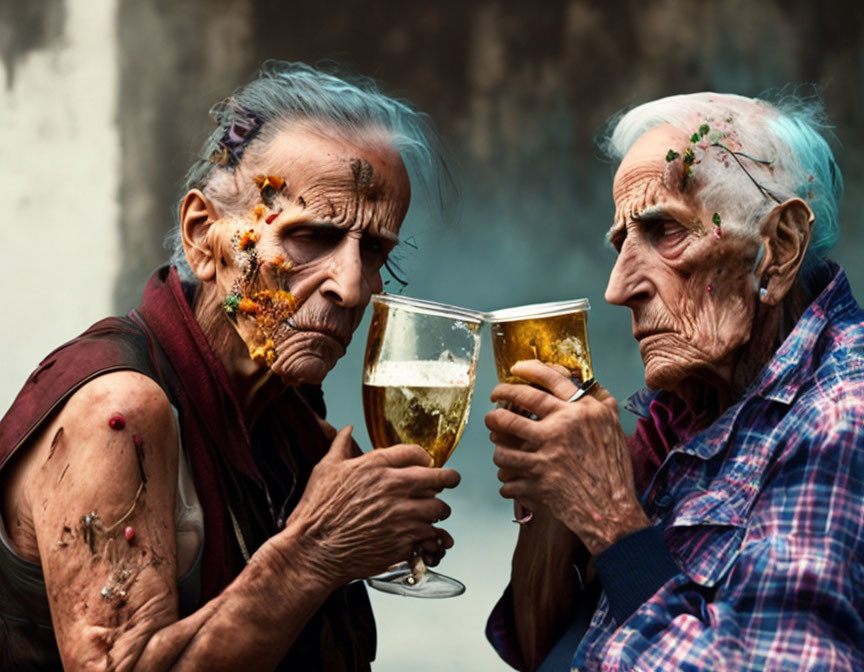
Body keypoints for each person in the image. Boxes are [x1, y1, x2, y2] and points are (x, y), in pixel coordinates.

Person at [0, 61, 460, 671]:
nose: (352, 287)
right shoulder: (118, 415)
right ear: (202, 235)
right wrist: (315, 550)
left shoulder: (291, 427)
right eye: (310, 236)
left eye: (373, 249)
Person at [485, 92, 864, 671]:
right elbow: (554, 651)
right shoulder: (689, 413)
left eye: (664, 230)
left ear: (780, 248)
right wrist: (557, 500)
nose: (618, 288)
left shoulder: (842, 414)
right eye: (621, 243)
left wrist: (609, 516)